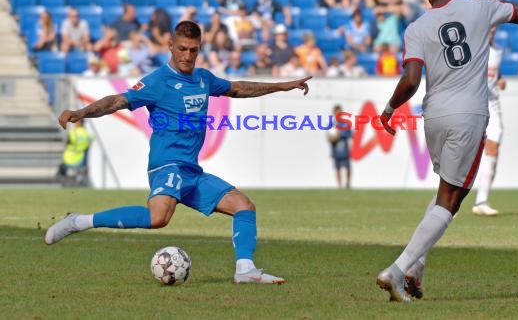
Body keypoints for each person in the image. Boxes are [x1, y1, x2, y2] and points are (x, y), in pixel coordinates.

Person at [45, 21, 312, 285]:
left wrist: (280, 86)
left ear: (199, 49)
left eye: (193, 50)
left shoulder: (203, 79)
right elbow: (118, 100)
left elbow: (237, 88)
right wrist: (81, 112)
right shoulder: (157, 82)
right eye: (182, 48)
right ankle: (78, 222)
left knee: (244, 207)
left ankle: (245, 270)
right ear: (170, 46)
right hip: (167, 165)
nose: (187, 55)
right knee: (158, 218)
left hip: (191, 172)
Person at [375, 0, 518, 303]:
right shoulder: (479, 7)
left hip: (434, 116)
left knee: (445, 193)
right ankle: (398, 270)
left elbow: (412, 81)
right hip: (469, 115)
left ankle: (416, 269)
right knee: (451, 200)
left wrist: (389, 109)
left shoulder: (417, 27)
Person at [472, 26, 504, 217]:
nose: (491, 30)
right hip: (474, 104)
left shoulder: (498, 51)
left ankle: (481, 200)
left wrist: (500, 79)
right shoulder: (473, 49)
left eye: (493, 27)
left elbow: (494, 74)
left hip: (493, 106)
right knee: (463, 153)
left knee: (493, 149)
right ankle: (446, 200)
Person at [56, 119, 93, 185]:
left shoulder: (73, 133)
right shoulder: (87, 134)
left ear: (78, 123)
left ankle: (63, 183)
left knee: (60, 172)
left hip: (69, 160)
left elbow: (67, 143)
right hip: (82, 161)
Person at [328, 104, 352, 188]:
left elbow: (350, 135)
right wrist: (332, 138)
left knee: (348, 168)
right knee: (338, 169)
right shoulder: (331, 125)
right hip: (336, 151)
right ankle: (339, 185)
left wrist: (340, 134)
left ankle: (348, 183)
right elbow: (329, 138)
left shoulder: (345, 124)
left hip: (345, 151)